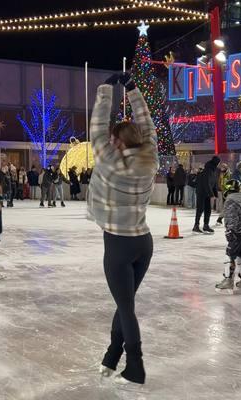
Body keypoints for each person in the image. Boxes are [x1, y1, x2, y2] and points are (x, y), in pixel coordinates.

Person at [87, 72, 158, 385]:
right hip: (143, 242)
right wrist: (132, 89)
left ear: (117, 140)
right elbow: (149, 125)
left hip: (117, 245)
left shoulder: (109, 160)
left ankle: (136, 365)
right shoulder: (150, 155)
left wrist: (106, 90)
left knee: (126, 308)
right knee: (124, 304)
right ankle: (113, 355)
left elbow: (97, 127)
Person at [215, 179, 241, 294]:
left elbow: (231, 217)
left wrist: (230, 232)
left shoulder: (230, 201)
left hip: (238, 232)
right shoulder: (240, 198)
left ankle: (228, 280)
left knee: (229, 256)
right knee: (240, 255)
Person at [192, 156, 220, 234]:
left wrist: (215, 194)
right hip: (201, 192)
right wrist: (211, 195)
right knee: (200, 209)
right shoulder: (208, 170)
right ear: (216, 162)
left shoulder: (214, 170)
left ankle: (206, 225)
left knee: (208, 209)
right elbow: (206, 183)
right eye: (218, 163)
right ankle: (196, 226)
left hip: (207, 192)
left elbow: (214, 183)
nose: (219, 164)